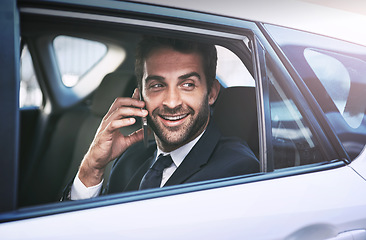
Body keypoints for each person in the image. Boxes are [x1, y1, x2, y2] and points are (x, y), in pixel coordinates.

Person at [65, 36, 259, 200]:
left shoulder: (235, 168)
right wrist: (92, 168)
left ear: (211, 93)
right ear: (140, 96)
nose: (172, 102)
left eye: (188, 84)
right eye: (157, 85)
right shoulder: (130, 159)